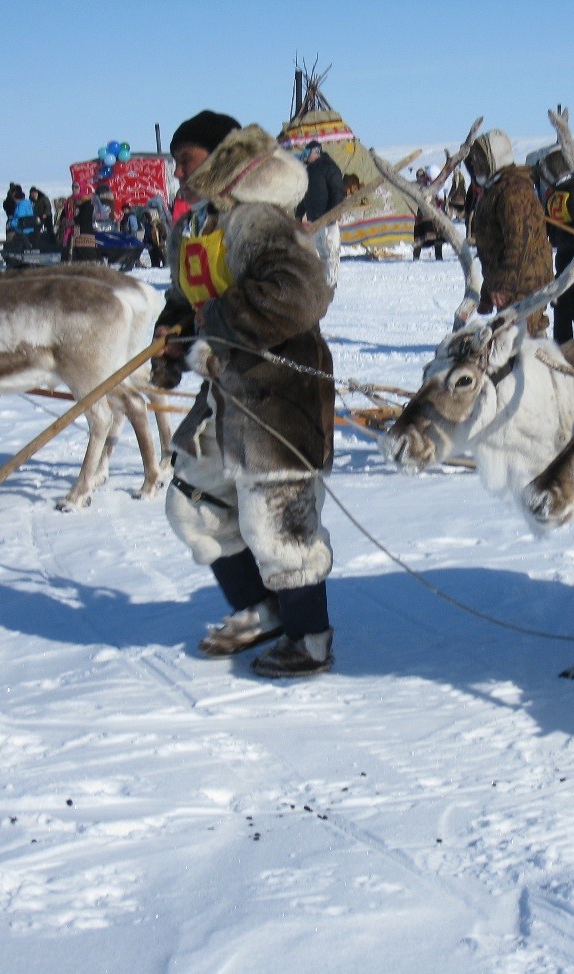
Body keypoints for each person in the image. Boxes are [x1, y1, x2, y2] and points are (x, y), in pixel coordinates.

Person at [150, 109, 337, 678]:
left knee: (279, 523)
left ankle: (310, 639)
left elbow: (301, 293)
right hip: (225, 394)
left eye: (186, 158)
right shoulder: (198, 225)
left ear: (221, 155)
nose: (177, 171)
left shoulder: (257, 221)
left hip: (280, 393)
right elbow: (189, 298)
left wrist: (213, 323)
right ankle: (261, 610)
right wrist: (170, 337)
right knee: (193, 503)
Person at [465, 128, 554, 334]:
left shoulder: (514, 191)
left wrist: (502, 285)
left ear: (493, 159)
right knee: (512, 341)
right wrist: (489, 289)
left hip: (525, 284)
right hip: (512, 284)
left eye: (480, 160)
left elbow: (519, 243)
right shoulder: (497, 190)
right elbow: (496, 247)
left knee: (524, 341)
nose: (476, 166)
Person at [538, 147, 574, 343]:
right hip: (562, 250)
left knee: (569, 295)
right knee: (567, 296)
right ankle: (568, 337)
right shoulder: (555, 192)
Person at [294, 140, 345, 288]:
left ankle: (331, 283)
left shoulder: (329, 167)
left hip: (328, 219)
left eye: (306, 153)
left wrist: (334, 212)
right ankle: (323, 283)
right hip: (314, 220)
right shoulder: (309, 170)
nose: (305, 156)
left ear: (315, 152)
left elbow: (337, 191)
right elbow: (306, 195)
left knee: (331, 252)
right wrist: (299, 213)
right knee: (320, 253)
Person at [411, 166, 444, 261]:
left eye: (422, 176)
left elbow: (438, 197)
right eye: (419, 176)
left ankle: (439, 256)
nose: (421, 178)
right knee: (419, 237)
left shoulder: (430, 185)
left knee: (437, 236)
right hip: (421, 215)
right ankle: (416, 257)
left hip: (433, 214)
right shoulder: (414, 186)